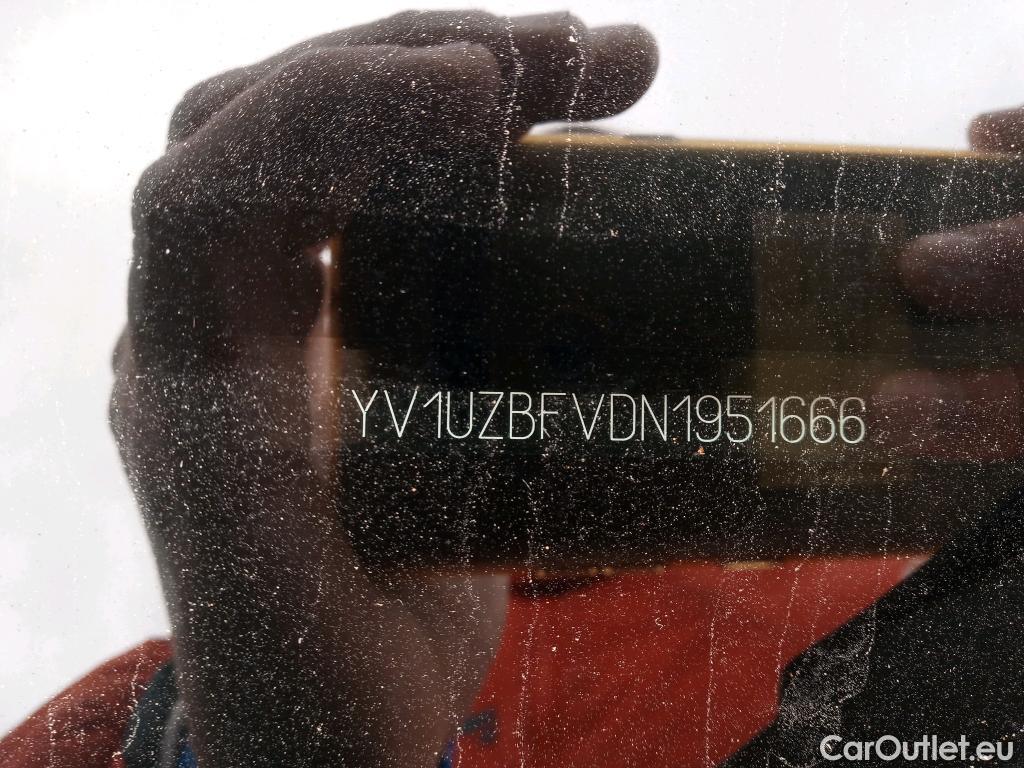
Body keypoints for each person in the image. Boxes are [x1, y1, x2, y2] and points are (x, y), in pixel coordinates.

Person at [3, 10, 1019, 768]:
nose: (592, 347)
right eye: (523, 285)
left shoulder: (938, 599)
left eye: (656, 281)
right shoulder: (175, 697)